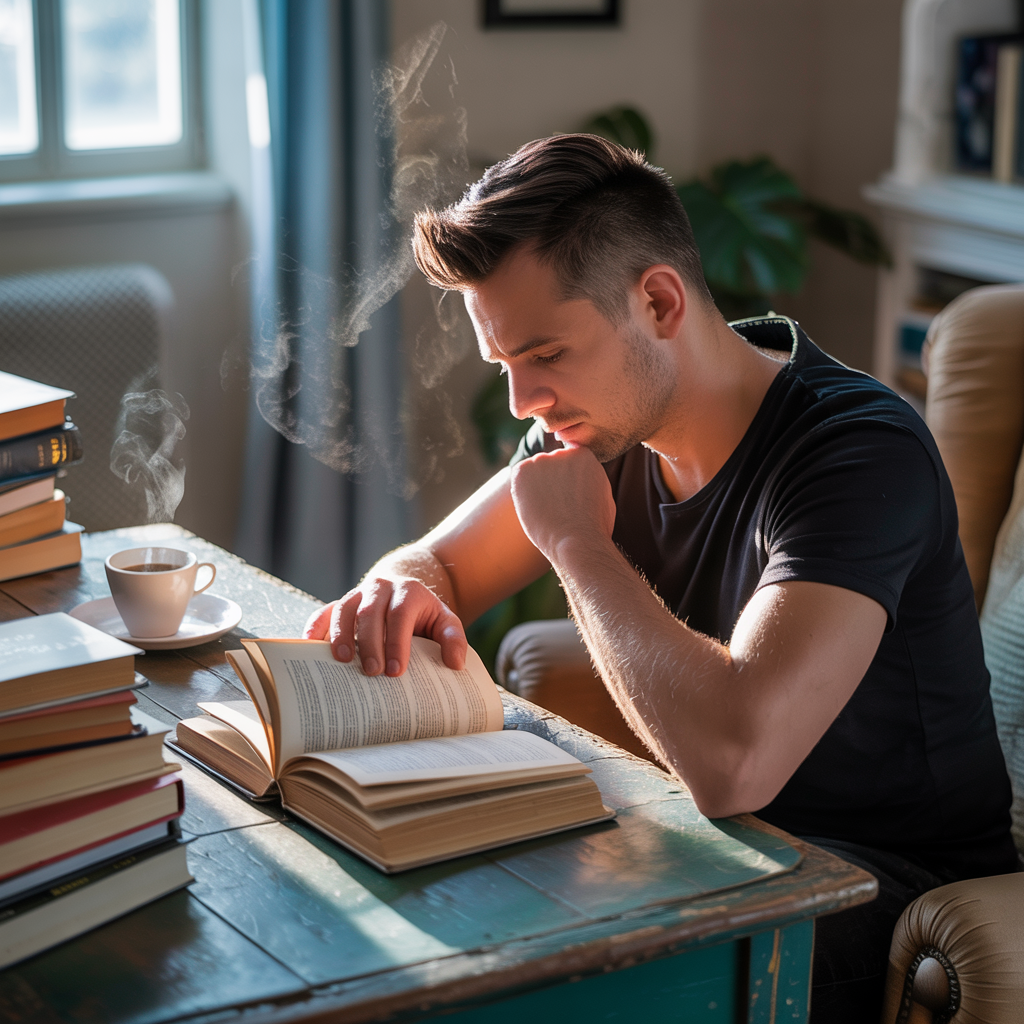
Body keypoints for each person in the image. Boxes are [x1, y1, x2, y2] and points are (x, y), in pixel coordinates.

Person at [304, 134, 1016, 1021]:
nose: (525, 401)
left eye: (547, 355)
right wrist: (396, 585)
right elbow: (438, 564)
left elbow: (735, 764)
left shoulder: (857, 452)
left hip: (884, 883)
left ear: (658, 300)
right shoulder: (598, 423)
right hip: (714, 848)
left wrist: (577, 546)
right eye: (505, 366)